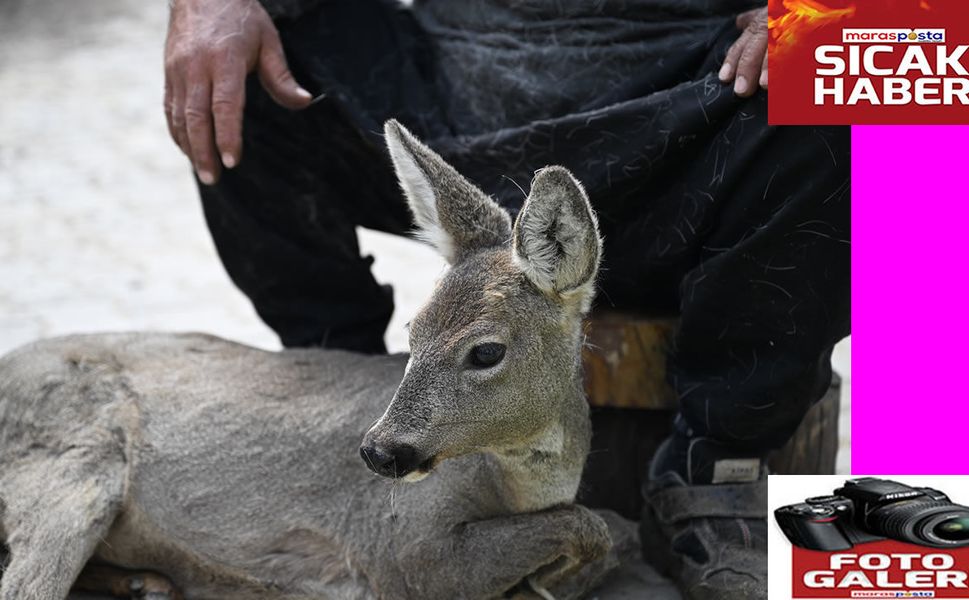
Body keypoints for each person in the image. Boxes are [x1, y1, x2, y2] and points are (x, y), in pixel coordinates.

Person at [163, 1, 849, 598]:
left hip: (687, 115)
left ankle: (718, 469)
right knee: (231, 57)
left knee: (884, 65)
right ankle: (345, 380)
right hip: (448, 103)